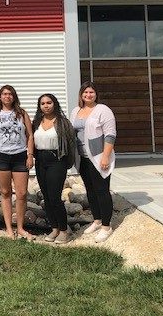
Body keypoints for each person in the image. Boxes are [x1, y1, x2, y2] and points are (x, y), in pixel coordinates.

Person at [69, 81, 117, 243]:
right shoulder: (76, 111)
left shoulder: (103, 110)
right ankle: (96, 220)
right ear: (81, 95)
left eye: (91, 92)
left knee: (102, 191)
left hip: (98, 157)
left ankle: (106, 226)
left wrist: (105, 156)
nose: (88, 95)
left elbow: (110, 134)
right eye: (85, 93)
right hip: (82, 157)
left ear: (96, 94)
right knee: (90, 190)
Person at [0, 85, 34, 241]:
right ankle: (8, 228)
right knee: (5, 193)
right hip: (1, 156)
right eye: (4, 94)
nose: (7, 97)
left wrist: (30, 155)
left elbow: (30, 135)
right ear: (0, 97)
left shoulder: (22, 114)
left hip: (20, 155)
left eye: (10, 94)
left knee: (21, 194)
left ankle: (20, 227)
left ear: (14, 97)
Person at [32, 93, 77, 244]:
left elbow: (71, 144)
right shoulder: (37, 122)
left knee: (55, 197)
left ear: (54, 104)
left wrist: (68, 163)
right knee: (46, 196)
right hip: (40, 161)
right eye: (43, 103)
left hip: (57, 161)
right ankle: (54, 228)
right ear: (40, 106)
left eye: (49, 102)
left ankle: (64, 231)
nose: (46, 105)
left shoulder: (63, 122)